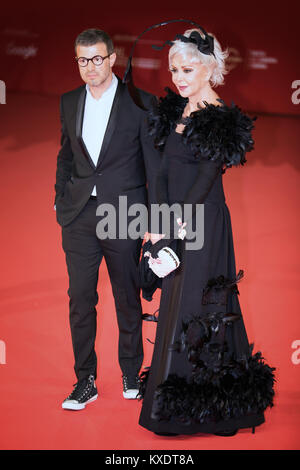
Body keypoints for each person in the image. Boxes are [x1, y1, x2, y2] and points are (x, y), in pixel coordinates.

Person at [138, 27, 275, 436]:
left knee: (203, 307)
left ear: (209, 68)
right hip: (175, 217)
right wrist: (157, 222)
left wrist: (178, 224)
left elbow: (204, 178)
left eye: (188, 69)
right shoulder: (176, 110)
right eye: (174, 69)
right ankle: (177, 402)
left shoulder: (221, 117)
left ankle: (217, 408)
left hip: (203, 220)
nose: (179, 77)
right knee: (176, 303)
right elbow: (162, 172)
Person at [54, 28, 160, 410]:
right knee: (80, 299)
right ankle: (85, 380)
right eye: (83, 60)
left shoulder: (140, 103)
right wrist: (58, 199)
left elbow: (153, 165)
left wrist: (153, 217)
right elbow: (66, 156)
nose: (90, 67)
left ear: (112, 58)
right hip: (79, 213)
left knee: (125, 295)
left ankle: (132, 371)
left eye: (97, 58)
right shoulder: (68, 101)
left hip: (124, 212)